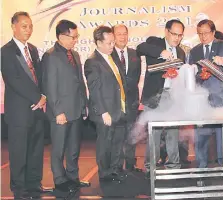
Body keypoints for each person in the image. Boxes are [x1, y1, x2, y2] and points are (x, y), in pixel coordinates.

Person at [1, 11, 52, 199]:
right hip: (19, 112)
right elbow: (14, 79)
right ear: (13, 27)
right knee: (18, 153)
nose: (28, 29)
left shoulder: (33, 49)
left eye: (30, 26)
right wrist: (37, 98)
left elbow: (40, 77)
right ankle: (19, 189)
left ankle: (33, 184)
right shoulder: (6, 51)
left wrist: (44, 96)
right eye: (24, 26)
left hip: (37, 110)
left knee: (36, 151)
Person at [42, 20, 90, 192]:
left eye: (77, 37)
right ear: (61, 36)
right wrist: (57, 111)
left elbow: (79, 83)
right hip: (61, 112)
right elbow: (50, 86)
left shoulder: (75, 54)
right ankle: (60, 180)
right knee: (59, 148)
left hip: (76, 109)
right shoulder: (51, 55)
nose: (75, 40)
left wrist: (85, 105)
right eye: (72, 37)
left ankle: (72, 177)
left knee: (74, 148)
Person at [189, 19, 223, 168]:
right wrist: (196, 73)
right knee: (201, 133)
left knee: (222, 135)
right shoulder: (194, 51)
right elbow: (192, 75)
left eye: (206, 33)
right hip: (202, 99)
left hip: (222, 97)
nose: (203, 36)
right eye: (200, 33)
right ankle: (201, 166)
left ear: (213, 32)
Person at [136, 19, 186, 178]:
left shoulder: (182, 52)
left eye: (180, 35)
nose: (177, 38)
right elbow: (140, 48)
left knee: (173, 132)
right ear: (166, 31)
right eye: (174, 34)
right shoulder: (155, 43)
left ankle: (174, 165)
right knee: (154, 132)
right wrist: (161, 53)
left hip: (173, 96)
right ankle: (151, 167)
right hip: (155, 96)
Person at [84, 25, 128, 182]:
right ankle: (105, 173)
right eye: (109, 43)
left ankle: (116, 169)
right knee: (105, 144)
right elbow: (94, 90)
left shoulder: (111, 57)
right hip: (106, 112)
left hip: (119, 108)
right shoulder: (92, 62)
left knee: (117, 142)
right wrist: (103, 112)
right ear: (98, 42)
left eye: (113, 42)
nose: (112, 46)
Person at [111, 24, 142, 172]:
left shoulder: (134, 53)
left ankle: (131, 165)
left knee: (131, 135)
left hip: (131, 102)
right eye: (119, 34)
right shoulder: (108, 55)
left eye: (125, 34)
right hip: (115, 104)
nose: (122, 37)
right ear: (113, 36)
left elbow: (135, 78)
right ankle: (116, 167)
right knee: (117, 137)